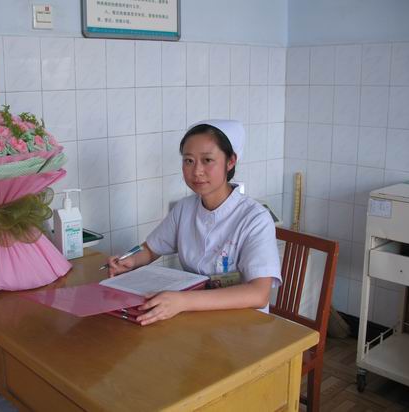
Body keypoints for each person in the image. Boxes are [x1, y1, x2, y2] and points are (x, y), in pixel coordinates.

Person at [106, 119, 281, 326]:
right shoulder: (185, 208)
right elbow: (151, 248)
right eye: (189, 161)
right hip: (195, 320)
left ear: (230, 161)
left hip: (241, 326)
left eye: (207, 160)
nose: (196, 171)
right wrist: (130, 261)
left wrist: (183, 301)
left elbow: (259, 294)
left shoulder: (254, 218)